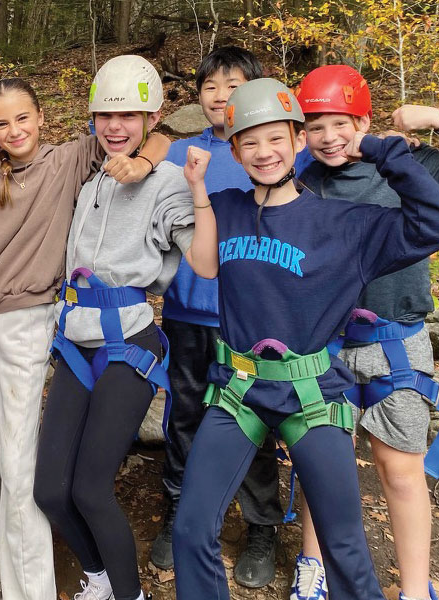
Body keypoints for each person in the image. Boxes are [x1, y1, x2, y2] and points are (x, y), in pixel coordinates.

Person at [170, 77, 439, 600]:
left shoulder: (346, 223)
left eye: (277, 138)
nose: (264, 152)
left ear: (298, 141)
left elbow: (438, 224)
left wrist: (377, 148)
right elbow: (207, 265)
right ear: (233, 149)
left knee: (344, 543)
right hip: (238, 392)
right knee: (191, 529)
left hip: (312, 397)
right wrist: (198, 192)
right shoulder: (231, 206)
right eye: (249, 142)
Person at [0, 76, 171, 600]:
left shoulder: (67, 161)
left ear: (42, 117)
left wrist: (146, 162)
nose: (15, 129)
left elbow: (156, 134)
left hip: (31, 318)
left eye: (23, 118)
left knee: (20, 457)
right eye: (2, 122)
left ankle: (30, 584)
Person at [290, 64, 439, 600]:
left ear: (364, 121)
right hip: (326, 339)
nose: (328, 137)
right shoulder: (301, 178)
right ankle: (313, 565)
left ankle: (415, 589)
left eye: (341, 123)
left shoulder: (406, 164)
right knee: (324, 461)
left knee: (400, 469)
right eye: (315, 126)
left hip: (396, 337)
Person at [33, 54, 217, 600]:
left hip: (127, 344)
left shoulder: (165, 185)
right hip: (74, 341)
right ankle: (97, 574)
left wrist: (197, 190)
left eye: (130, 116)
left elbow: (204, 263)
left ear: (152, 119)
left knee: (91, 489)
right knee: (49, 491)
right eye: (105, 116)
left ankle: (129, 593)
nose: (116, 127)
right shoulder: (91, 180)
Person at [151, 46, 311, 586]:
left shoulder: (272, 150)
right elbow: (130, 148)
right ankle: (180, 510)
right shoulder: (178, 151)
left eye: (234, 84)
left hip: (248, 317)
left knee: (255, 422)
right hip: (186, 312)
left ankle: (262, 526)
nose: (221, 96)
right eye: (210, 86)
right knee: (185, 414)